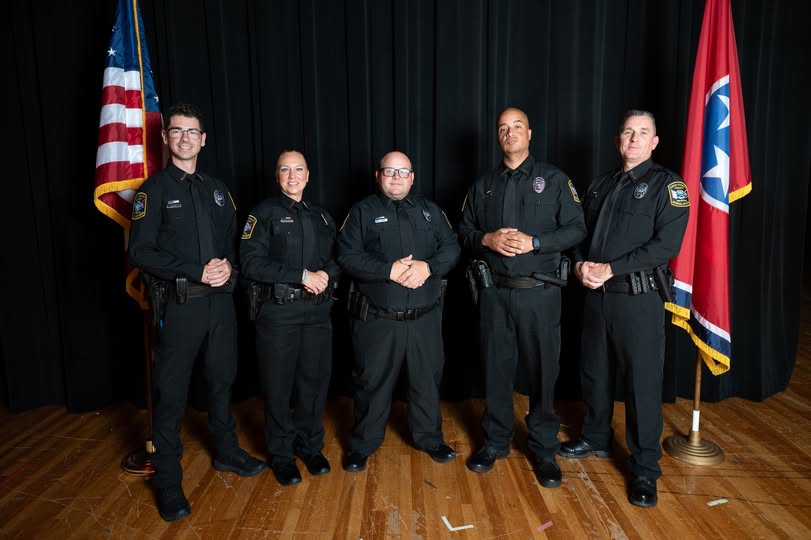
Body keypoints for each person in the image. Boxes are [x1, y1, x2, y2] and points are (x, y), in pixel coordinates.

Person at [129, 103, 266, 522]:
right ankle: (168, 479)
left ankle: (225, 452)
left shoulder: (219, 191)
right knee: (171, 395)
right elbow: (139, 251)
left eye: (193, 131)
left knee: (222, 383)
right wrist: (196, 270)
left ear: (203, 140)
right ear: (166, 138)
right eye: (177, 131)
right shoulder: (151, 192)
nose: (186, 138)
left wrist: (229, 267)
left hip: (221, 305)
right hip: (181, 304)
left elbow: (231, 244)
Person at [559, 110, 690, 508]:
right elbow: (580, 233)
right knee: (593, 373)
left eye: (642, 133)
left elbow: (666, 246)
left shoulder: (669, 186)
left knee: (641, 385)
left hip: (638, 299)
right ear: (619, 140)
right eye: (627, 132)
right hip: (597, 296)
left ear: (654, 142)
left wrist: (611, 267)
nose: (633, 139)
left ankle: (645, 469)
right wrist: (581, 264)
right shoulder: (600, 186)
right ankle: (596, 437)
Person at [458, 107, 586, 488]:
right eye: (503, 128)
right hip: (495, 294)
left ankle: (544, 448)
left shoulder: (555, 179)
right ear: (498, 137)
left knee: (544, 373)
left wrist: (537, 242)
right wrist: (487, 238)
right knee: (495, 370)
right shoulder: (482, 186)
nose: (510, 133)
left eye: (516, 127)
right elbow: (462, 232)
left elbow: (577, 228)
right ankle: (495, 441)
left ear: (530, 133)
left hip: (540, 293)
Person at [337, 151, 461, 471]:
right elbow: (346, 255)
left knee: (426, 382)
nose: (396, 178)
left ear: (412, 177)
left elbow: (451, 248)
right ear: (378, 176)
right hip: (379, 319)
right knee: (371, 383)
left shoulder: (431, 212)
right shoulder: (362, 212)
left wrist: (428, 267)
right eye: (389, 172)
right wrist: (387, 270)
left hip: (424, 319)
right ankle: (363, 444)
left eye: (403, 172)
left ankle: (429, 438)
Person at [239, 151, 339, 486]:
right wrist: (301, 275)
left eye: (298, 170)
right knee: (278, 386)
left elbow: (336, 259)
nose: (292, 176)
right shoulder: (263, 214)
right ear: (277, 176)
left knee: (314, 383)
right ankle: (281, 454)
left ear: (308, 176)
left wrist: (326, 273)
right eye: (285, 170)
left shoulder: (322, 217)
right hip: (278, 313)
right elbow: (250, 263)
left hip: (317, 312)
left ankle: (310, 447)